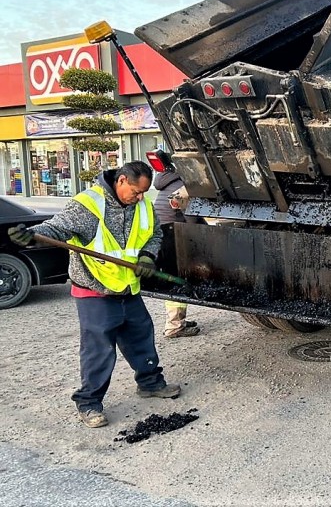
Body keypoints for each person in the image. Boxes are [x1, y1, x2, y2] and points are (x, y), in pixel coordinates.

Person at [8, 161, 182, 429]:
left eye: (143, 193)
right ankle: (89, 402)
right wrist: (31, 235)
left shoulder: (142, 205)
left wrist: (147, 257)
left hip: (128, 287)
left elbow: (153, 234)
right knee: (99, 350)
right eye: (135, 192)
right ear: (121, 180)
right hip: (94, 289)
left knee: (141, 337)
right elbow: (57, 228)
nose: (139, 198)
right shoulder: (89, 205)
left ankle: (150, 383)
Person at [153, 169, 200, 338]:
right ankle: (174, 326)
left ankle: (177, 321)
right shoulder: (184, 186)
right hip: (171, 233)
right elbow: (191, 217)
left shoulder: (169, 182)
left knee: (174, 275)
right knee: (176, 277)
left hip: (162, 231)